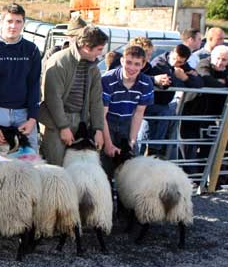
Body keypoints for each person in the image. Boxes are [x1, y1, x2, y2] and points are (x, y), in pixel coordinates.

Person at [39, 25, 107, 166]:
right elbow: (53, 98)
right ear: (87, 46)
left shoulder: (93, 67)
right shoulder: (60, 61)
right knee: (55, 166)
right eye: (99, 49)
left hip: (81, 121)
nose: (101, 54)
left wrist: (98, 129)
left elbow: (96, 100)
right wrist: (63, 127)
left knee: (78, 168)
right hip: (55, 123)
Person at [0, 3, 41, 156]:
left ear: (23, 24)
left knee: (30, 160)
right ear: (1, 22)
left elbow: (34, 85)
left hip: (24, 114)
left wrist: (33, 118)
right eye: (9, 21)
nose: (13, 26)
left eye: (18, 21)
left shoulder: (31, 50)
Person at [101, 45, 154, 176]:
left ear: (143, 65)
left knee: (127, 168)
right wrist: (108, 143)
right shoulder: (107, 79)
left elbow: (139, 113)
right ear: (122, 61)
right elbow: (102, 114)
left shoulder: (146, 83)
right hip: (107, 123)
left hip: (127, 122)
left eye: (137, 64)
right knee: (105, 165)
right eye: (129, 62)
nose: (131, 68)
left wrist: (132, 140)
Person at [142, 44, 202, 157]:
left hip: (162, 104)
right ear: (172, 52)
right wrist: (183, 78)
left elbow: (199, 82)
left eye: (180, 62)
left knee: (166, 115)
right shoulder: (159, 62)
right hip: (148, 103)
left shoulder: (182, 65)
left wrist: (185, 78)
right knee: (149, 127)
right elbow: (168, 83)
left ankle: (156, 151)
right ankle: (153, 151)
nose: (175, 63)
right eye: (174, 59)